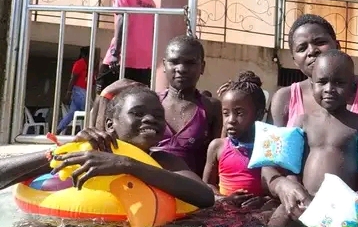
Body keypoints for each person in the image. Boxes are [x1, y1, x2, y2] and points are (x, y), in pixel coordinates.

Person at [0, 85, 214, 209]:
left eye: (158, 116)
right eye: (138, 113)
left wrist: (127, 164)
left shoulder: (164, 161)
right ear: (110, 124)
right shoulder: (89, 152)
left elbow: (205, 197)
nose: (150, 119)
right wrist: (69, 149)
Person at [265, 51, 358, 227]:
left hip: (344, 201)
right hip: (305, 197)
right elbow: (291, 164)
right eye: (322, 82)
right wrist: (295, 188)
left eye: (339, 83)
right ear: (312, 85)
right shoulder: (303, 121)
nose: (329, 89)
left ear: (352, 88)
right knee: (277, 221)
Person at [269, 14, 358, 129]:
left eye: (320, 42)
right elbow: (273, 144)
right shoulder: (284, 98)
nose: (312, 51)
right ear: (294, 60)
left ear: (337, 46)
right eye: (302, 48)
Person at [155, 36, 222, 176]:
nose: (181, 69)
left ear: (202, 67)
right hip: (148, 185)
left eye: (190, 63)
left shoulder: (212, 108)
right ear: (164, 65)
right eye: (174, 62)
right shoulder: (151, 103)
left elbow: (216, 161)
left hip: (192, 187)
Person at [95, 0, 157, 93]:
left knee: (103, 94)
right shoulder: (149, 0)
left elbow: (122, 19)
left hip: (124, 55)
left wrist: (115, 53)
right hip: (144, 61)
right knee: (135, 99)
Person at [203, 72, 266, 196]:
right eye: (226, 113)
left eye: (239, 113)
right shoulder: (217, 147)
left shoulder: (267, 148)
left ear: (259, 114)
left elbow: (274, 187)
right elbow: (207, 185)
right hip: (224, 207)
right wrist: (225, 200)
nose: (231, 120)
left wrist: (263, 201)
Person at [56, 46, 90, 134]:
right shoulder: (80, 63)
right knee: (90, 111)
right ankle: (91, 132)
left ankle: (57, 131)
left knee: (71, 114)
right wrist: (68, 93)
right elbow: (73, 78)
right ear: (85, 55)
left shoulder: (87, 64)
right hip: (79, 90)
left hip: (82, 90)